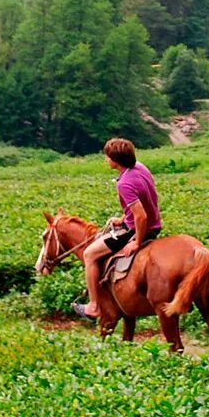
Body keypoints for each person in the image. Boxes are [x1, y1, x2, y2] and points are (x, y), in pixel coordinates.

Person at [77, 137, 162, 319]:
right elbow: (146, 199)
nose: (106, 159)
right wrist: (124, 217)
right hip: (154, 222)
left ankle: (93, 306)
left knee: (89, 254)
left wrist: (137, 242)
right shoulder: (140, 167)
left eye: (107, 156)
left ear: (115, 160)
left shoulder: (124, 184)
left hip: (139, 229)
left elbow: (141, 216)